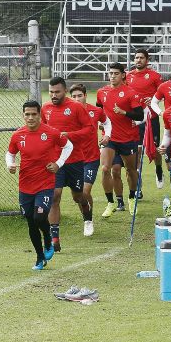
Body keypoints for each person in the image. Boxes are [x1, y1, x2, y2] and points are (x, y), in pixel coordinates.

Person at [6, 100, 73, 271]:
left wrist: (58, 163)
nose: (30, 118)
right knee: (31, 222)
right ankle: (39, 257)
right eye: (27, 114)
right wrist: (10, 164)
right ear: (23, 115)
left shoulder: (51, 132)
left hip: (45, 183)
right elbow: (10, 153)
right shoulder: (18, 135)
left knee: (39, 217)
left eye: (34, 114)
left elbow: (68, 146)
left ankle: (48, 239)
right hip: (25, 185)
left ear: (39, 115)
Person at [42, 77, 94, 249]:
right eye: (51, 92)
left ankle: (87, 218)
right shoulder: (45, 108)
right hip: (55, 161)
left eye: (57, 92)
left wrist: (69, 135)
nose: (53, 95)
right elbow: (42, 130)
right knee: (55, 195)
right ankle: (54, 238)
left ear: (65, 91)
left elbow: (89, 129)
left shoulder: (76, 107)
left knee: (78, 196)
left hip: (74, 160)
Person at [99, 63, 144, 217]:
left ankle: (131, 198)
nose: (112, 76)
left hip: (127, 138)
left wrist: (124, 112)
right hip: (109, 138)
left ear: (123, 75)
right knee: (108, 169)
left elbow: (140, 115)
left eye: (116, 73)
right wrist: (100, 123)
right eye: (110, 73)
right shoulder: (101, 92)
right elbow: (99, 111)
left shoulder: (131, 93)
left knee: (131, 170)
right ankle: (112, 202)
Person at [69, 84, 112, 237]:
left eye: (79, 95)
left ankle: (88, 221)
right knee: (77, 196)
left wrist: (107, 135)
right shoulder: (67, 113)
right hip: (73, 160)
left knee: (85, 192)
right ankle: (86, 216)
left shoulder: (96, 111)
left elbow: (107, 122)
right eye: (73, 96)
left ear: (86, 96)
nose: (76, 99)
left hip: (91, 158)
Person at [126, 49, 164, 189]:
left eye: (141, 58)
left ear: (147, 60)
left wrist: (153, 99)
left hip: (150, 118)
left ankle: (158, 169)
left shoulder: (155, 76)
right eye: (136, 57)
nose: (138, 60)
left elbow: (162, 93)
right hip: (135, 119)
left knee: (155, 148)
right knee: (137, 151)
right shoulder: (128, 76)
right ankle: (138, 184)